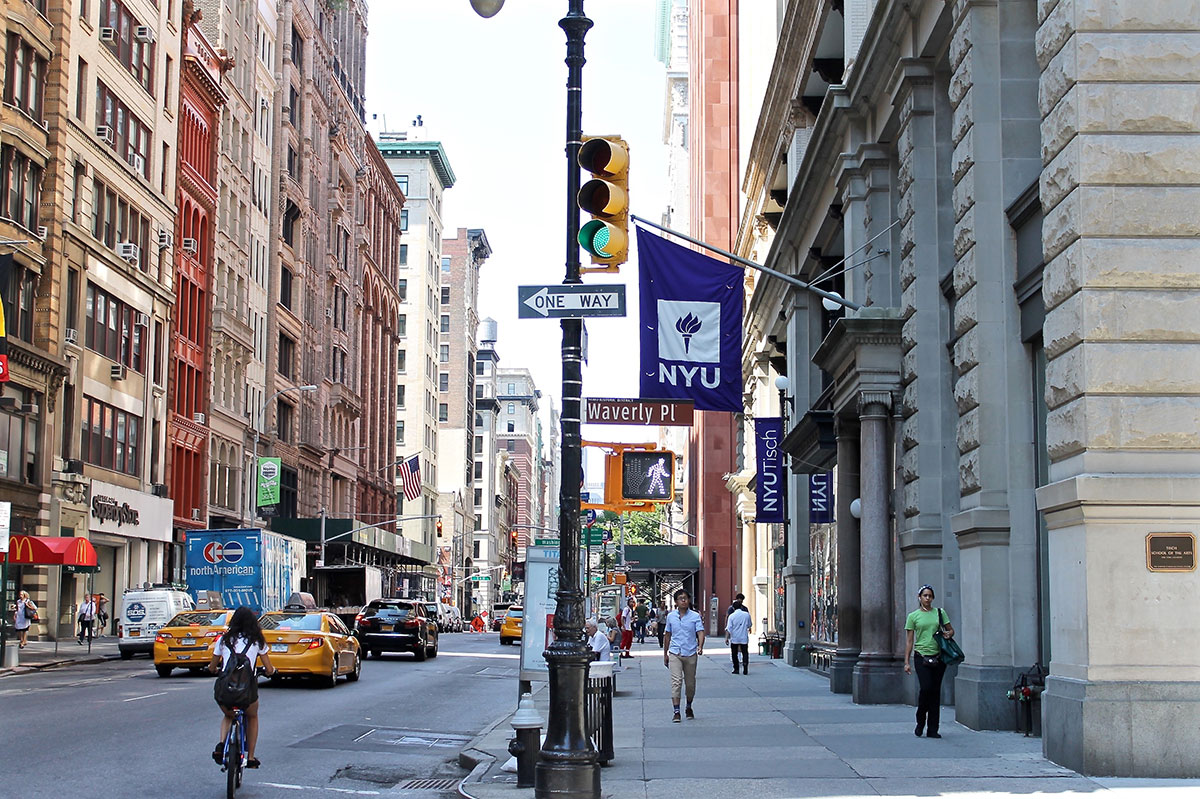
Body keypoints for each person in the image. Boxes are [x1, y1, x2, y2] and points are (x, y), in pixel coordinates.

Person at [208, 606, 276, 768]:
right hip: (247, 691)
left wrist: (215, 670)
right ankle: (251, 757)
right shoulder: (257, 640)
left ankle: (221, 744)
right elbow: (268, 668)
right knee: (252, 716)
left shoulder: (224, 640)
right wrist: (271, 672)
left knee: (228, 715)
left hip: (225, 690)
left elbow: (212, 666)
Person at [904, 584, 954, 739]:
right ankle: (920, 721)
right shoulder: (913, 616)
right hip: (921, 656)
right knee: (926, 688)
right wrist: (906, 661)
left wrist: (948, 633)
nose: (928, 598)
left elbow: (950, 629)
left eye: (930, 596)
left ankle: (933, 729)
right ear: (919, 597)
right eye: (925, 595)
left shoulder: (940, 613)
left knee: (935, 692)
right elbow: (909, 641)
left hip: (938, 656)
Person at [662, 589, 705, 723]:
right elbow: (667, 635)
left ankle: (688, 706)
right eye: (681, 598)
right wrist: (665, 654)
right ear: (676, 602)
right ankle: (676, 711)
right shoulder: (671, 617)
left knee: (690, 684)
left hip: (691, 652)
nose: (684, 600)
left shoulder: (694, 616)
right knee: (676, 682)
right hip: (675, 653)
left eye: (685, 598)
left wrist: (700, 646)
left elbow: (700, 632)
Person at [726, 600, 752, 675]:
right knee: (745, 652)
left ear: (733, 608)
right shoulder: (746, 615)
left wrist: (726, 638)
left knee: (734, 654)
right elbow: (749, 625)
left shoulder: (731, 616)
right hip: (744, 637)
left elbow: (729, 628)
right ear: (741, 607)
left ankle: (736, 668)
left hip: (735, 638)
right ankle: (745, 666)